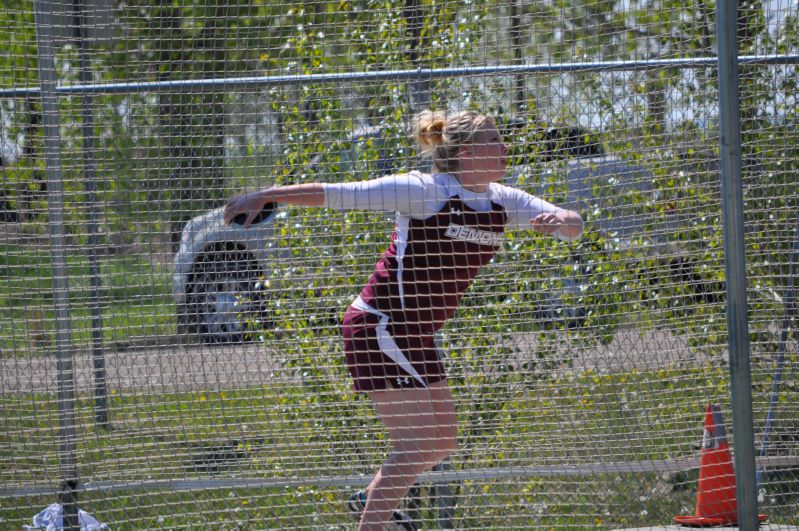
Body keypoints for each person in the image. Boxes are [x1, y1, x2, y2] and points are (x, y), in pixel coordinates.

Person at [224, 109, 583, 531]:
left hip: (415, 334)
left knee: (442, 441)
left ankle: (372, 499)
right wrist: (267, 195)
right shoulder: (424, 191)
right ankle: (372, 522)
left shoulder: (503, 200)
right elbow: (341, 193)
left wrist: (560, 221)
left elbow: (573, 223)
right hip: (380, 325)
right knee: (414, 447)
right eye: (494, 141)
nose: (505, 149)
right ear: (467, 153)